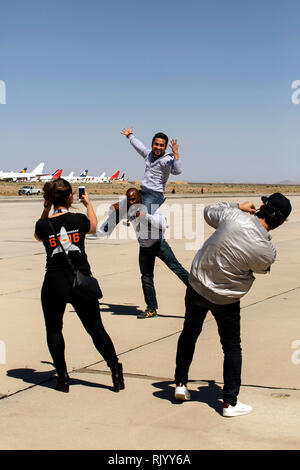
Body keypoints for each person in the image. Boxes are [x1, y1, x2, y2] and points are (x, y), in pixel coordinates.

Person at [174, 193, 292, 417]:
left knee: (189, 334)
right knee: (231, 346)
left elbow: (209, 211)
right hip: (226, 298)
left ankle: (180, 383)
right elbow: (261, 268)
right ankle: (229, 402)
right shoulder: (267, 250)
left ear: (262, 207)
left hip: (197, 286)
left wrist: (236, 206)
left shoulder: (233, 216)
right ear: (282, 222)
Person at [34, 178, 124, 393]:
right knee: (95, 329)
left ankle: (63, 377)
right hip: (80, 279)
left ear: (49, 199)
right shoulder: (78, 219)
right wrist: (88, 204)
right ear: (70, 197)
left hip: (54, 282)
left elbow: (38, 237)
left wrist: (46, 209)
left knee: (54, 329)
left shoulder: (43, 224)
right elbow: (93, 227)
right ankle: (116, 371)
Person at [125, 187, 189, 318]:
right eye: (129, 200)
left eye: (133, 199)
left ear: (139, 198)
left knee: (177, 268)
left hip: (158, 245)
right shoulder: (129, 210)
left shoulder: (150, 208)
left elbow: (163, 225)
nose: (131, 202)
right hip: (144, 247)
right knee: (146, 277)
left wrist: (145, 216)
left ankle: (202, 293)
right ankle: (151, 309)